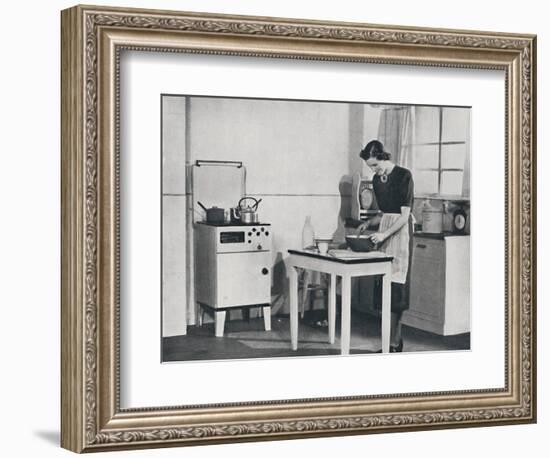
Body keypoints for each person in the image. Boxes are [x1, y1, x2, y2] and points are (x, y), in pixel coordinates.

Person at [357, 140, 414, 353]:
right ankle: (387, 344)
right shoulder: (376, 179)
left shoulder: (403, 175)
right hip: (385, 230)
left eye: (374, 164)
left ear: (383, 157)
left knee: (397, 289)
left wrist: (383, 234)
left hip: (401, 232)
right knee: (384, 287)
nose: (373, 169)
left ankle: (394, 343)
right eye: (370, 166)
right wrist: (368, 223)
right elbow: (384, 212)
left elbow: (404, 216)